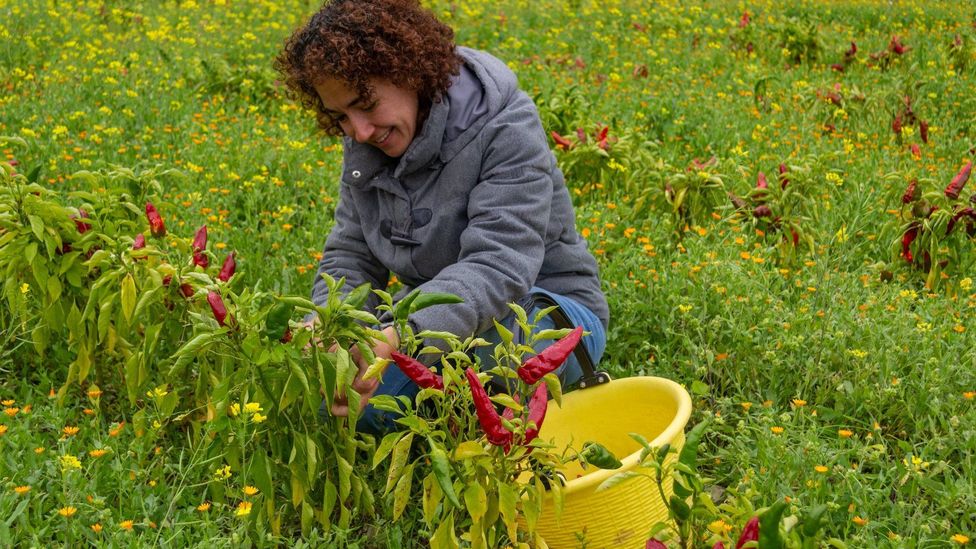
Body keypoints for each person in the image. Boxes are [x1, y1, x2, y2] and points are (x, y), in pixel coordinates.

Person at [275, 0, 609, 434]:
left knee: (478, 363)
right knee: (335, 400)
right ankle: (448, 418)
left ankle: (463, 420)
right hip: (441, 321)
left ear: (408, 73)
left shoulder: (505, 124)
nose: (358, 131)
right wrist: (331, 325)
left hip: (547, 314)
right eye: (340, 117)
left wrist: (402, 334)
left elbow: (499, 265)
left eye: (366, 104)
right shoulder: (367, 142)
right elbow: (351, 255)